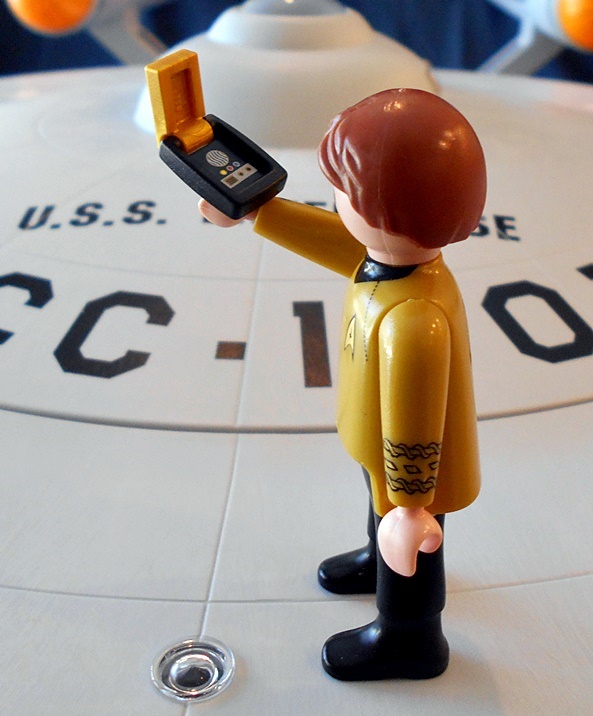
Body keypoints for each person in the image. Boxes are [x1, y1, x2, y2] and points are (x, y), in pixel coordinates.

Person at [200, 88, 486, 681]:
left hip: (414, 471)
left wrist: (411, 509)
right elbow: (335, 242)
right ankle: (377, 555)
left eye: (344, 194)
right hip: (382, 449)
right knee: (379, 513)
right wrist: (255, 212)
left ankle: (410, 635)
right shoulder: (394, 260)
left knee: (414, 551)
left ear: (385, 211)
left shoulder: (415, 319)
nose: (335, 202)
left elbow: (416, 428)